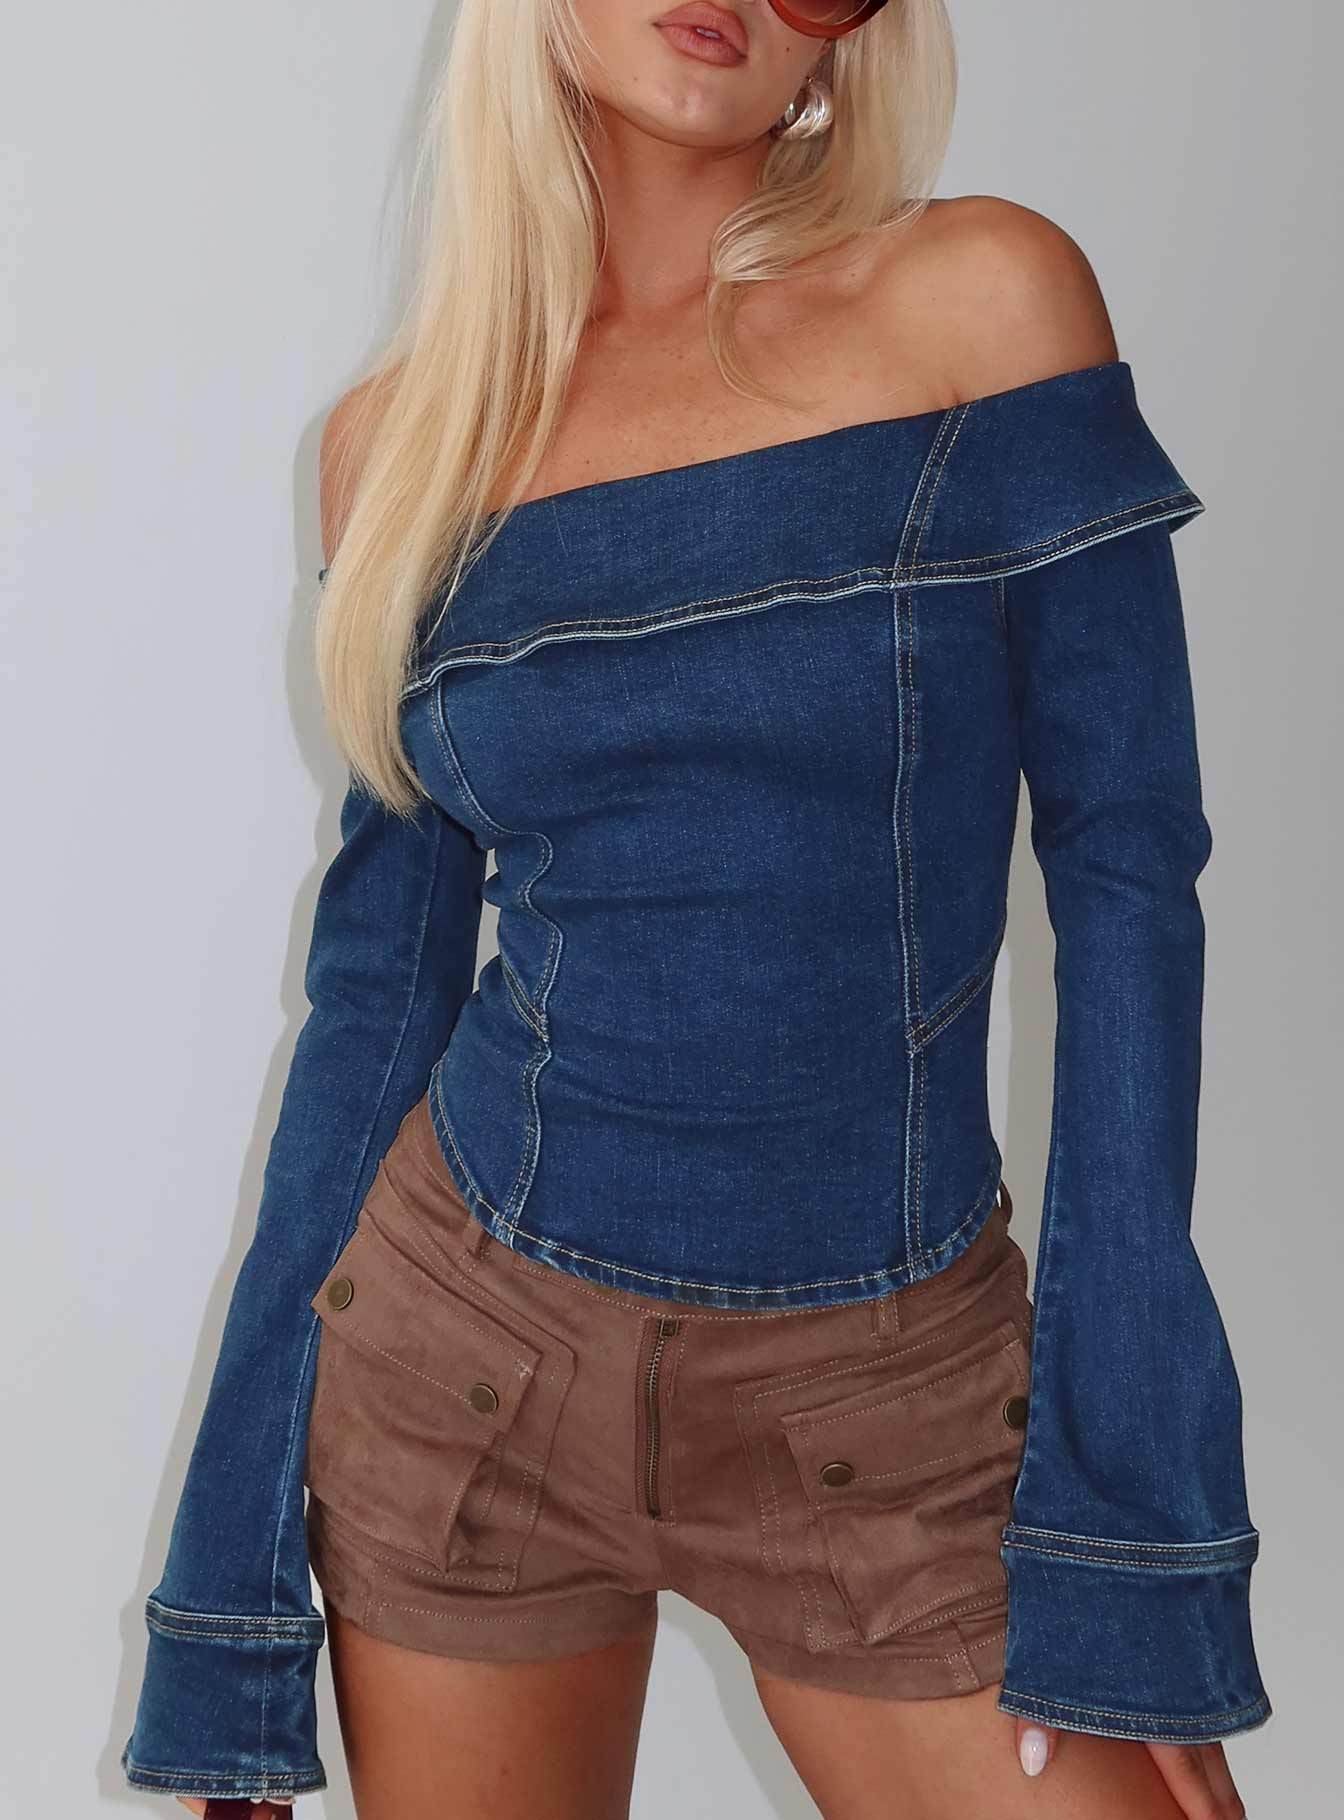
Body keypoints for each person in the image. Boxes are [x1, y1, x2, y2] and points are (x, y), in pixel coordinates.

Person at [121, 2, 1272, 1816]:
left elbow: (1130, 890)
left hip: (889, 1405)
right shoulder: (399, 445)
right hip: (465, 1380)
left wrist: (1128, 1533)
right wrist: (233, 1594)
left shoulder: (978, 304)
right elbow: (376, 1004)